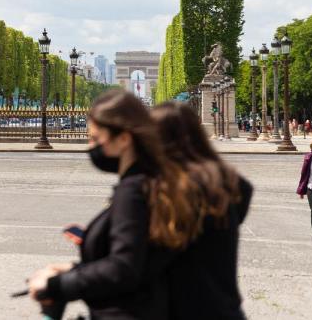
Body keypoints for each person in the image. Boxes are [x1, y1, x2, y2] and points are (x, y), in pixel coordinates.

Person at [26, 90, 197, 319]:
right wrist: (74, 269)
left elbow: (124, 268)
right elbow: (143, 259)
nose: (90, 146)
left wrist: (58, 284)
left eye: (95, 138)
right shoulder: (158, 180)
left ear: (124, 139)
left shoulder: (134, 190)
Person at [152, 101, 253, 319]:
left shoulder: (164, 188)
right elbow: (245, 192)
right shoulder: (230, 182)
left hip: (180, 307)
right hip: (225, 308)